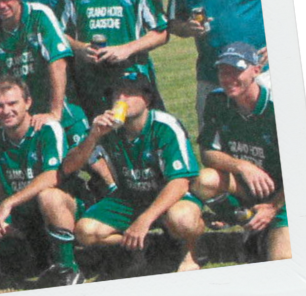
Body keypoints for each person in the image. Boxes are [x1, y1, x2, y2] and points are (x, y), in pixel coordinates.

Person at [63, 82, 205, 272]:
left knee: (183, 219)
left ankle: (190, 254)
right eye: (117, 96)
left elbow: (180, 182)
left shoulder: (164, 126)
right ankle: (143, 246)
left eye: (129, 94)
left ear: (147, 99)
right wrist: (93, 137)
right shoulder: (107, 128)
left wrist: (144, 219)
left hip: (166, 196)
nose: (122, 99)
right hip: (130, 197)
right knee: (85, 231)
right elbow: (68, 167)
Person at [0, 76, 84, 286]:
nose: (6, 111)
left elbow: (52, 176)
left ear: (28, 103)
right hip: (22, 215)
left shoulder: (46, 129)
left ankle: (69, 268)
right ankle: (28, 255)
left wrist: (8, 203)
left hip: (61, 206)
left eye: (12, 103)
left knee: (48, 196)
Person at [62, 0, 170, 119]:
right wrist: (80, 47)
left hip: (134, 81)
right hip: (92, 86)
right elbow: (59, 34)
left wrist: (126, 49)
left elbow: (161, 32)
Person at [193, 45, 289, 260]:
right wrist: (242, 166)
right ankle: (245, 221)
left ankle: (264, 229)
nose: (228, 78)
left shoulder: (278, 106)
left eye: (236, 71)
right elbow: (208, 153)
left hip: (286, 194)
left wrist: (273, 207)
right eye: (223, 72)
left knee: (282, 259)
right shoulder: (217, 100)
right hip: (248, 188)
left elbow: (304, 172)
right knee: (204, 179)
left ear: (256, 70)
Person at [0, 0, 76, 127]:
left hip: (54, 110)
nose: (1, 5)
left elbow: (58, 62)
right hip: (17, 117)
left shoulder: (39, 15)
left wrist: (54, 112)